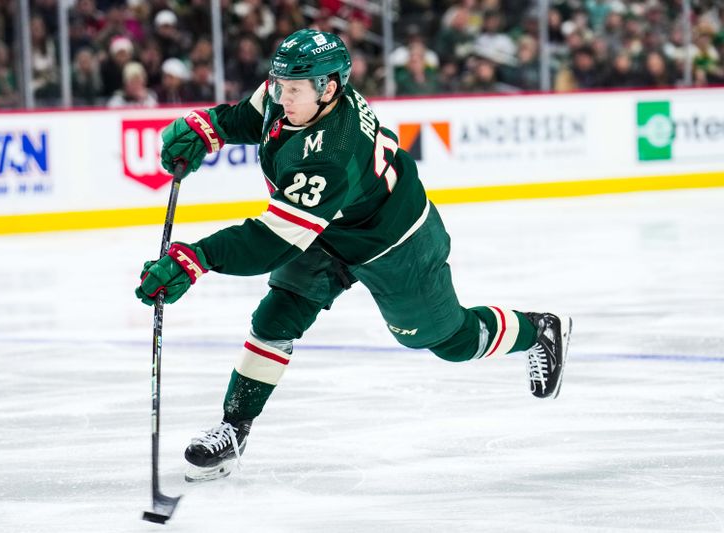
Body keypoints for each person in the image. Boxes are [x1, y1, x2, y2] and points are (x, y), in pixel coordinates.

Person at [136, 29, 572, 482]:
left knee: (449, 341)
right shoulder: (292, 93)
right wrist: (208, 128)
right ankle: (234, 429)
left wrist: (195, 258)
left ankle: (537, 330)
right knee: (275, 317)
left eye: (294, 89)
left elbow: (271, 241)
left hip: (396, 241)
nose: (281, 95)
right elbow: (252, 117)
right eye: (279, 82)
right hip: (329, 230)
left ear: (329, 88)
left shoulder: (332, 150)